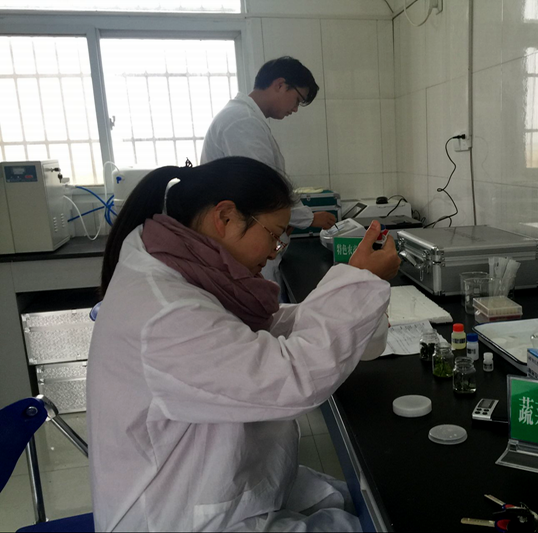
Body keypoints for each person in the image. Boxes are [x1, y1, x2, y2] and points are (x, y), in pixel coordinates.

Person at [87, 156, 400, 532]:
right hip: (175, 517)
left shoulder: (178, 267)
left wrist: (353, 292)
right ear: (225, 217)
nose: (275, 251)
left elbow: (252, 332)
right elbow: (290, 380)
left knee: (361, 503)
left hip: (209, 482)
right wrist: (357, 286)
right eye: (274, 235)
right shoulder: (165, 313)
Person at [201, 56, 336, 298]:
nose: (295, 109)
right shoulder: (243, 122)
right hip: (243, 242)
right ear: (280, 84)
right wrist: (308, 218)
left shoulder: (245, 117)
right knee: (259, 306)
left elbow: (267, 181)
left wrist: (292, 220)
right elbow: (262, 190)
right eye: (297, 100)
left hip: (247, 238)